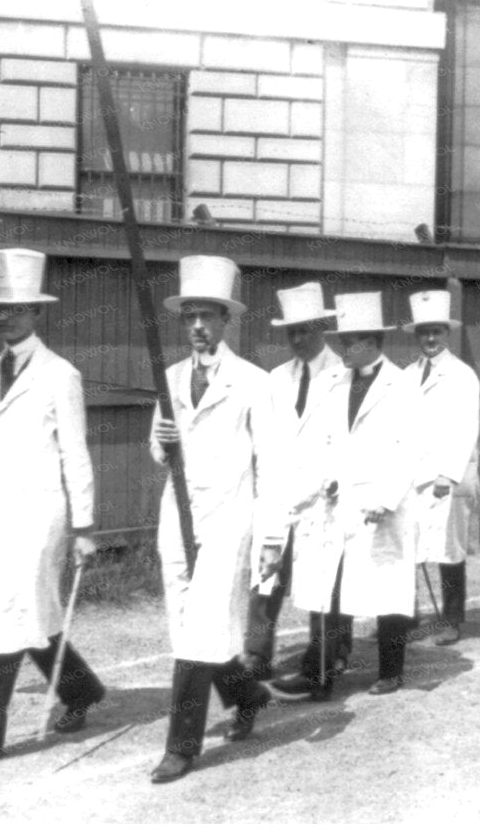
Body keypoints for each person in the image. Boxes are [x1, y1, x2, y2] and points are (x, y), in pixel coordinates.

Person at [0, 249, 104, 770]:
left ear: (37, 313)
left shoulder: (60, 375)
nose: (5, 316)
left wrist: (84, 527)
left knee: (7, 616)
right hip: (1, 515)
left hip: (43, 515)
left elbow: (76, 452)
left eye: (17, 308)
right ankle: (81, 690)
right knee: (35, 613)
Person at [147, 256, 282, 784]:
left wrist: (271, 537)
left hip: (229, 518)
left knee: (200, 629)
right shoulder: (171, 377)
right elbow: (158, 453)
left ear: (226, 321)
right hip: (178, 517)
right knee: (188, 627)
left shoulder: (253, 382)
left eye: (208, 316)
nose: (198, 326)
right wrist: (161, 445)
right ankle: (248, 695)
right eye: (190, 317)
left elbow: (270, 463)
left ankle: (182, 747)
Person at [275, 291, 419, 697]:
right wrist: (323, 482)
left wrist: (386, 499)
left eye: (348, 342)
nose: (340, 350)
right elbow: (324, 440)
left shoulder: (402, 385)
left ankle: (391, 670)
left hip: (383, 507)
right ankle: (319, 675)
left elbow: (408, 449)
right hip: (339, 505)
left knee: (388, 590)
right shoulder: (333, 382)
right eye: (340, 342)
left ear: (371, 341)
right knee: (330, 590)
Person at [242, 282, 342, 682]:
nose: (298, 339)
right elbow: (265, 448)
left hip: (323, 502)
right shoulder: (275, 380)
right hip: (278, 497)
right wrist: (269, 501)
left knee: (322, 588)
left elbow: (345, 442)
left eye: (305, 330)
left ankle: (322, 665)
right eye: (291, 332)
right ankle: (256, 658)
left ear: (321, 327)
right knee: (265, 580)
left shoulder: (343, 376)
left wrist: (332, 482)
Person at [400, 289, 480, 646]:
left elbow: (466, 429)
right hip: (413, 475)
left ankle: (451, 618)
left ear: (447, 333)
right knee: (409, 546)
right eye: (424, 332)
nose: (430, 339)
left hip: (448, 475)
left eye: (436, 331)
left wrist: (447, 474)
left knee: (449, 550)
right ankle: (406, 614)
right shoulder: (406, 374)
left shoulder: (462, 375)